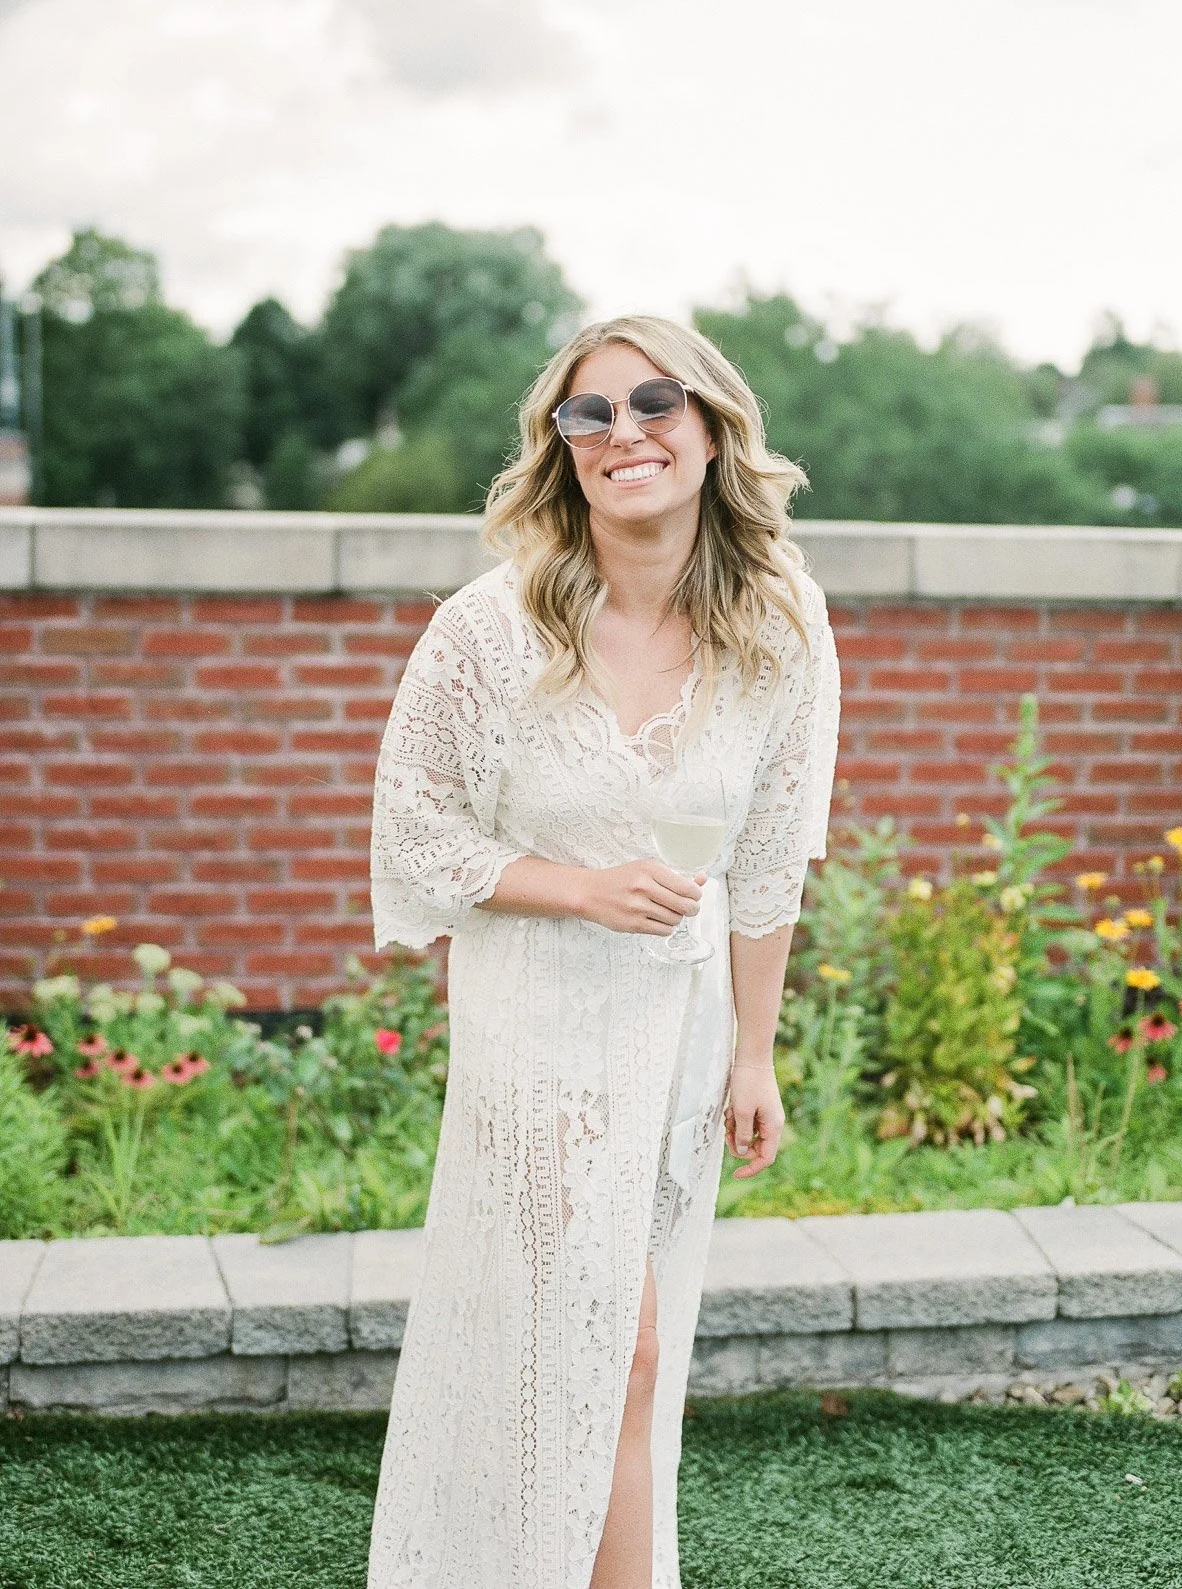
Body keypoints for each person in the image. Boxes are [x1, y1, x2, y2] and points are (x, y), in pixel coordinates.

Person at [367, 314, 841, 1589]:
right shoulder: (489, 626)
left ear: (711, 426)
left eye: (654, 403)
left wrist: (756, 1051)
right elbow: (412, 823)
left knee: (623, 1354)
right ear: (562, 448)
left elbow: (771, 855)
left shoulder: (782, 624)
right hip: (534, 1021)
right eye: (591, 415)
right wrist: (579, 888)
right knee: (600, 1349)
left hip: (677, 1036)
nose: (624, 432)